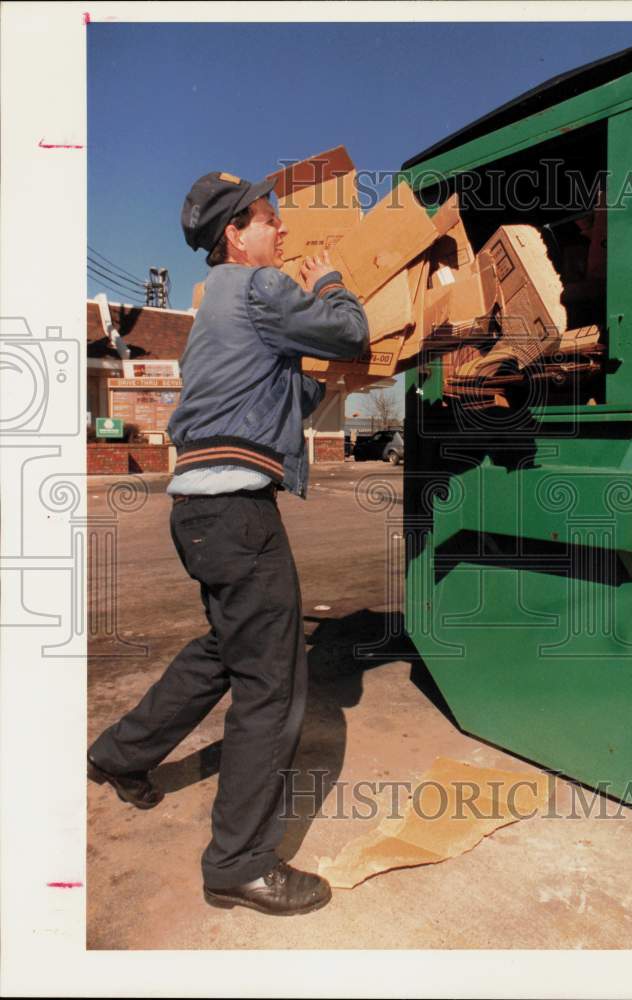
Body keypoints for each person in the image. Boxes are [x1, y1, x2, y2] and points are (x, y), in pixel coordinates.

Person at [88, 169, 369, 917]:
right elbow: (348, 329)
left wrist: (334, 382)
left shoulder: (219, 315)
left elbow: (288, 392)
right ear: (234, 237)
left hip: (199, 518)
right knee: (272, 687)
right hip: (238, 517)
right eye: (269, 220)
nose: (282, 232)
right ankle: (239, 863)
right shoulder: (256, 287)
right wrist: (333, 281)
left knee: (224, 646)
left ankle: (120, 754)